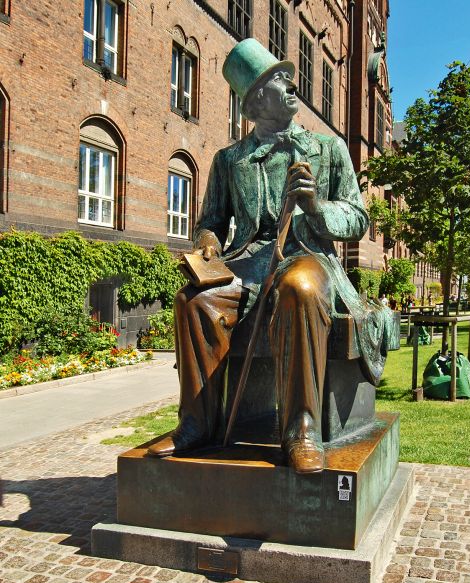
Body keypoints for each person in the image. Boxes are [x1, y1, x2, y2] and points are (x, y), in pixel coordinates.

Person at [148, 39, 392, 474]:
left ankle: (301, 429)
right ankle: (197, 424)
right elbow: (211, 221)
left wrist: (316, 208)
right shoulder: (230, 160)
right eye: (281, 79)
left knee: (299, 287)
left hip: (306, 258)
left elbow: (357, 218)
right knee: (193, 300)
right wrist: (207, 243)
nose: (292, 83)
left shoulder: (328, 149)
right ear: (258, 98)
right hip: (247, 265)